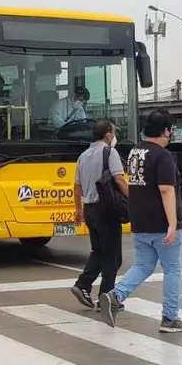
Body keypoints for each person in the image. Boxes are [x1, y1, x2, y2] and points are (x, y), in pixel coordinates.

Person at [99, 110, 182, 333]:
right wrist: (172, 224)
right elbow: (167, 190)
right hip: (161, 223)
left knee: (143, 265)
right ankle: (170, 318)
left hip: (139, 221)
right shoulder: (162, 156)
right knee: (172, 270)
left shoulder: (135, 152)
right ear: (166, 131)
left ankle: (115, 295)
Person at [70, 120, 128, 310]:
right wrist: (134, 198)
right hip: (106, 209)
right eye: (113, 133)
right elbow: (119, 179)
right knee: (113, 256)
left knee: (99, 251)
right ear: (108, 135)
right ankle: (106, 298)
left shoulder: (83, 156)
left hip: (90, 210)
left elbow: (76, 187)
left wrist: (78, 210)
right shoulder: (109, 152)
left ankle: (83, 285)